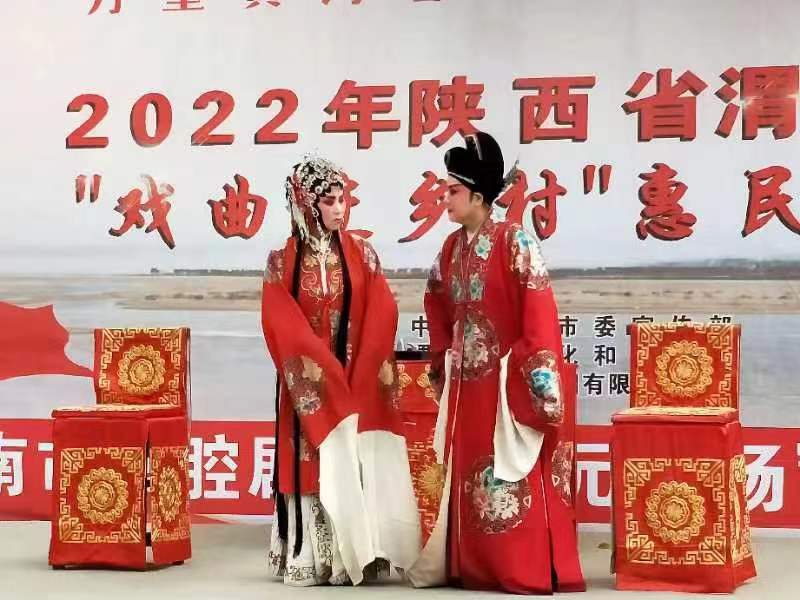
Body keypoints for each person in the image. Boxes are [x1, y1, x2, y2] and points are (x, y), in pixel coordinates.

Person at [410, 133, 585, 594]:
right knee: (470, 468)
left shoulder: (515, 241)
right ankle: (473, 565)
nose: (446, 199)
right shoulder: (450, 250)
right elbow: (435, 301)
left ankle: (518, 566)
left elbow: (539, 312)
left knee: (507, 468)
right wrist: (444, 356)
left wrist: (533, 374)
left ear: (478, 197)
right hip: (468, 386)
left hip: (507, 381)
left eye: (453, 191)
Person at [260, 156, 420, 586]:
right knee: (312, 460)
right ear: (306, 205)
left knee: (354, 456)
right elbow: (280, 321)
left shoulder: (362, 254)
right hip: (309, 384)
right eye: (328, 201)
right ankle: (313, 557)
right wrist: (321, 370)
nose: (339, 209)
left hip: (354, 377)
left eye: (342, 199)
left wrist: (362, 367)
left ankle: (360, 556)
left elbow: (383, 310)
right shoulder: (281, 262)